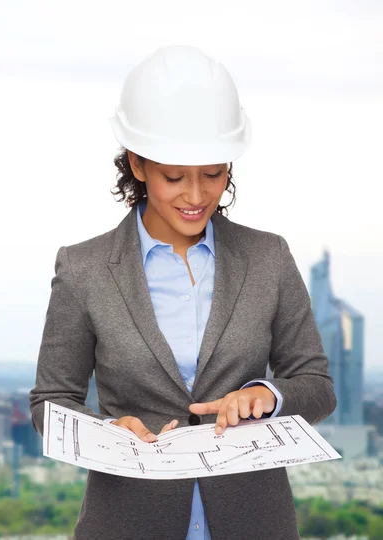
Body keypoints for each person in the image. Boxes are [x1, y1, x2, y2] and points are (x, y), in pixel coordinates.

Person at [29, 45, 336, 540]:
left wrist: (266, 395)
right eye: (174, 177)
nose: (196, 197)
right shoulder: (84, 269)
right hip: (127, 522)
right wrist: (106, 434)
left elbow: (315, 384)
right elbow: (51, 401)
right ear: (137, 163)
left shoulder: (268, 257)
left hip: (254, 523)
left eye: (213, 173)